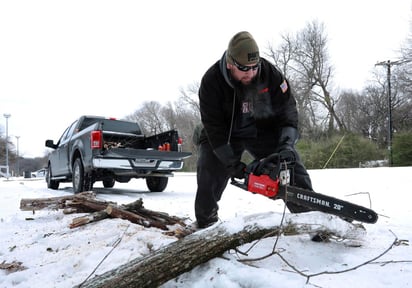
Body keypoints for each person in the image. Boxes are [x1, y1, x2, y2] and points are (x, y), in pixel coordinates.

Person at [194, 31, 313, 229]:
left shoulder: (270, 73)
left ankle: (312, 217)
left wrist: (286, 144)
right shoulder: (211, 82)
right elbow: (214, 128)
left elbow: (288, 110)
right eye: (243, 68)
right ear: (230, 63)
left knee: (291, 166)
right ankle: (206, 222)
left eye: (254, 67)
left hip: (260, 132)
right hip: (225, 135)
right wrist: (234, 165)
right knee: (208, 169)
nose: (250, 73)